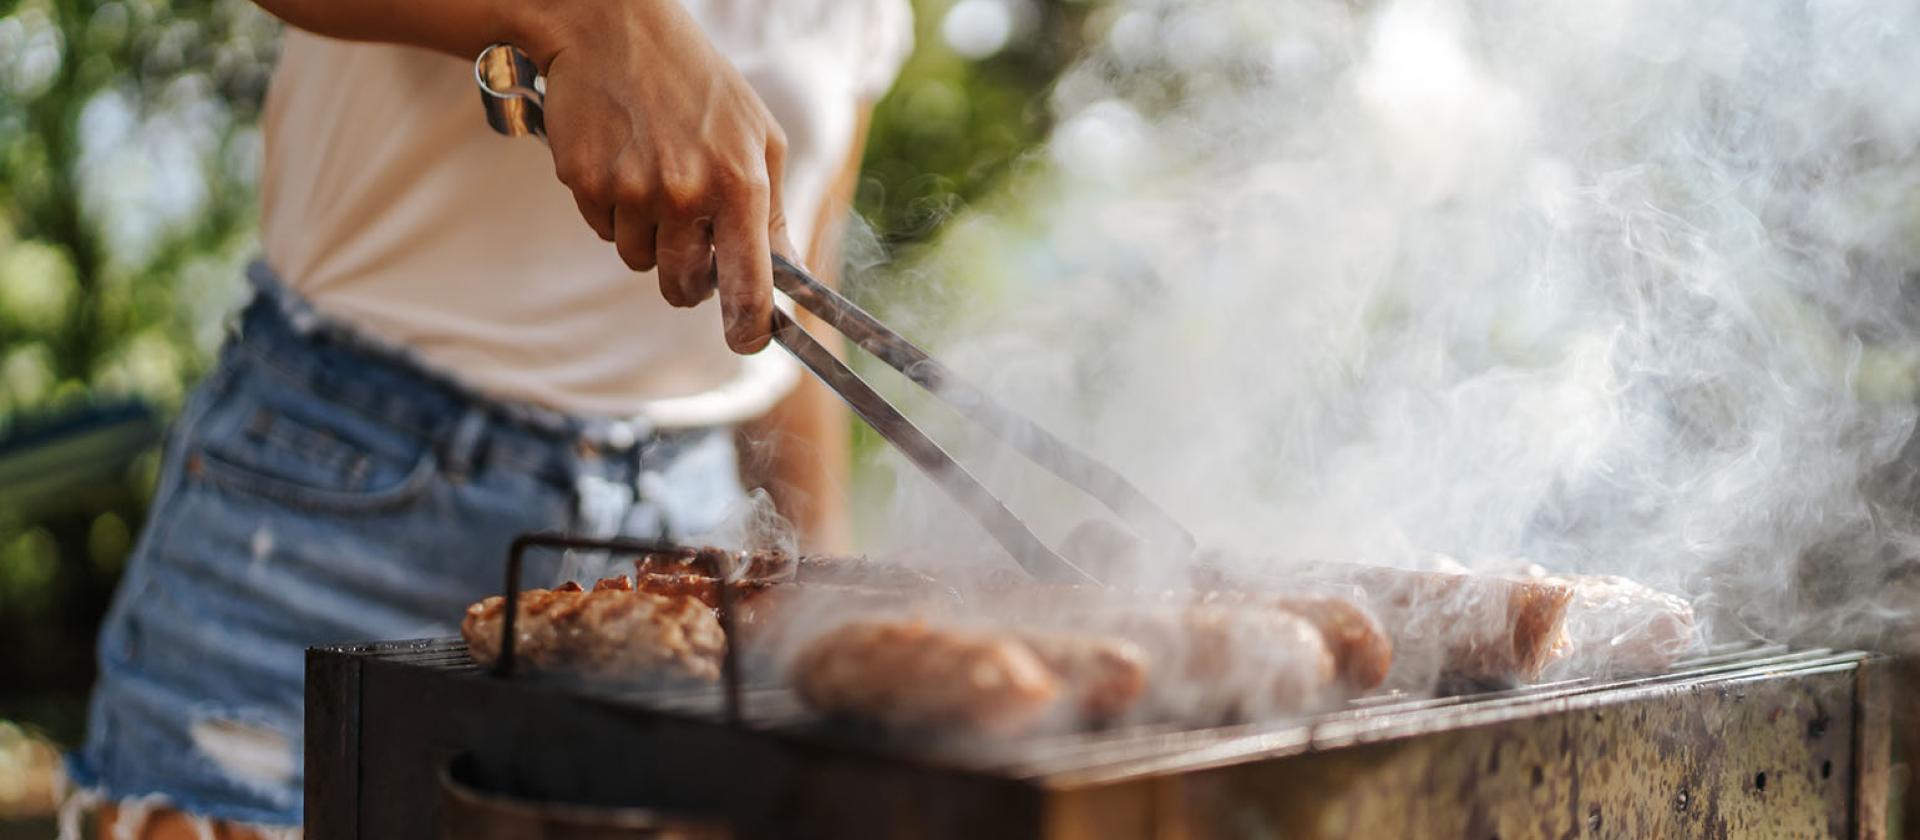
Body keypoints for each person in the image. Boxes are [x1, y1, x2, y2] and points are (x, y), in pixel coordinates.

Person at [61, 0, 912, 836]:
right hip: (331, 510)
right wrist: (599, 23)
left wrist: (825, 617)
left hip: (686, 565)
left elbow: (793, 288)